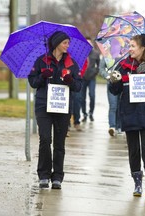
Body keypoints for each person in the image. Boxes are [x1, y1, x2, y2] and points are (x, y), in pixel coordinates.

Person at [109, 34, 145, 197]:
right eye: (130, 45)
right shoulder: (123, 66)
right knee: (134, 150)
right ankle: (137, 184)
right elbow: (115, 91)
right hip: (130, 113)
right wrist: (114, 81)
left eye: (133, 46)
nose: (130, 49)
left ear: (142, 48)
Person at [28, 31, 82, 189]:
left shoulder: (71, 63)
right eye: (65, 42)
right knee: (45, 139)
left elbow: (78, 87)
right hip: (43, 105)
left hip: (62, 106)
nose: (67, 45)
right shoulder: (41, 61)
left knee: (59, 142)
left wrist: (70, 81)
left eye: (68, 43)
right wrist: (42, 76)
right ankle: (43, 174)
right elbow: (33, 83)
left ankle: (57, 176)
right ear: (56, 43)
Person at [98, 58, 122, 136]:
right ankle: (112, 126)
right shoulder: (107, 56)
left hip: (122, 83)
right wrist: (107, 76)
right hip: (111, 83)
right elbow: (101, 68)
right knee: (113, 105)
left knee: (120, 105)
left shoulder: (124, 54)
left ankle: (119, 126)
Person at [80, 37, 100, 122]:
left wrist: (95, 72)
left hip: (92, 78)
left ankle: (91, 112)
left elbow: (99, 65)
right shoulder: (81, 53)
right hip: (83, 78)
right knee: (82, 97)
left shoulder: (95, 53)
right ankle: (84, 113)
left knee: (92, 95)